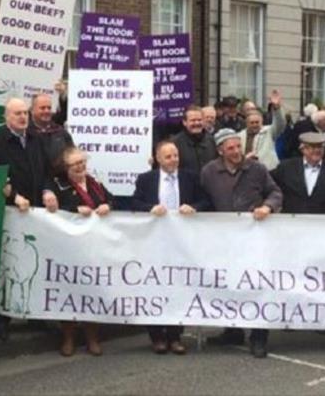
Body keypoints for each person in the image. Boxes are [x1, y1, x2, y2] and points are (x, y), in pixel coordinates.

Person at [200, 128, 283, 358]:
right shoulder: (209, 172)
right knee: (230, 284)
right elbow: (203, 199)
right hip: (224, 240)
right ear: (220, 151)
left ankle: (259, 336)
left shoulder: (256, 169)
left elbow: (275, 193)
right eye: (230, 148)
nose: (236, 152)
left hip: (254, 237)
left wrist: (267, 207)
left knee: (256, 285)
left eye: (238, 147)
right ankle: (232, 330)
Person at [0, 97, 57, 340]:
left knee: (32, 265)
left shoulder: (36, 138)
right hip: (11, 212)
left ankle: (34, 312)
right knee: (7, 266)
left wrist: (47, 191)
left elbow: (48, 170)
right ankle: (1, 319)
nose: (23, 117)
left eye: (25, 113)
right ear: (7, 116)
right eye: (17, 114)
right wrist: (13, 195)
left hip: (35, 210)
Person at [129, 140, 208, 355]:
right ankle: (156, 336)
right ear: (158, 159)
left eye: (176, 155)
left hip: (181, 243)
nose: (174, 160)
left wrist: (194, 207)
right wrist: (150, 208)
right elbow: (134, 203)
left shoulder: (189, 177)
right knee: (153, 286)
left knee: (178, 286)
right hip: (154, 242)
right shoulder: (146, 179)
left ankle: (175, 336)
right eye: (168, 156)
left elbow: (205, 201)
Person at [44, 146, 113, 357]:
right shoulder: (58, 185)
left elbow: (111, 199)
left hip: (93, 246)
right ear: (66, 167)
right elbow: (52, 210)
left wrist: (107, 205)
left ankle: (92, 337)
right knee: (69, 291)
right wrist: (74, 211)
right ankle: (68, 338)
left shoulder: (95, 183)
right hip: (69, 247)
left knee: (92, 291)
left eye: (82, 162)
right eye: (75, 164)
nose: (80, 166)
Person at [271, 132, 325, 215]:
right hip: (293, 222)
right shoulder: (286, 168)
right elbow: (270, 188)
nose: (317, 150)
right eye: (312, 147)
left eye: (320, 147)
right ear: (302, 149)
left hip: (324, 223)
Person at [238, 90, 286, 171]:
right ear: (246, 123)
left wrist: (277, 108)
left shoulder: (269, 132)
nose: (254, 125)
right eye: (252, 123)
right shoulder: (239, 136)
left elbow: (280, 123)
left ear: (262, 122)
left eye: (257, 122)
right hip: (246, 171)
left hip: (268, 171)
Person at [29, 93, 74, 166]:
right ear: (32, 110)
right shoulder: (24, 133)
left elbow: (72, 158)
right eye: (42, 108)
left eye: (49, 108)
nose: (46, 111)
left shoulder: (61, 133)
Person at [171, 106, 218, 174]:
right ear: (184, 122)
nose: (197, 123)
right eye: (193, 120)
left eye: (199, 120)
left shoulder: (212, 141)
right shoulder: (175, 143)